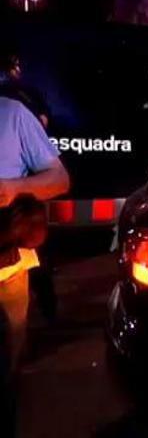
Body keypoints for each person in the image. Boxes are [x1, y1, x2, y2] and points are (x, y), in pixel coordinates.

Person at [0, 93, 69, 435]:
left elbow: (59, 179)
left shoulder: (12, 114)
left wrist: (14, 188)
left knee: (7, 374)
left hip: (6, 272)